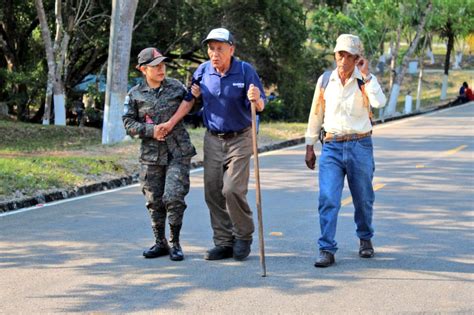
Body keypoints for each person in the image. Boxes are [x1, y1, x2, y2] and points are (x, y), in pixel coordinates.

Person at [156, 28, 266, 261]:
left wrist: (256, 99)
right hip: (213, 138)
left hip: (241, 137)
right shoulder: (203, 71)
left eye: (220, 48)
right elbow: (189, 101)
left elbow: (261, 105)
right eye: (211, 48)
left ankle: (243, 235)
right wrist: (170, 122)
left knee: (232, 189)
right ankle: (224, 241)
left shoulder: (245, 71)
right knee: (213, 192)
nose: (214, 53)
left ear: (231, 49)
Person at [304, 34, 387, 267]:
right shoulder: (325, 80)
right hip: (331, 146)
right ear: (335, 55)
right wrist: (310, 145)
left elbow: (380, 103)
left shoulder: (365, 81)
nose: (344, 60)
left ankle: (365, 238)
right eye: (341, 54)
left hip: (360, 145)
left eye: (350, 56)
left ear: (358, 58)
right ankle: (326, 249)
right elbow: (316, 113)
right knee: (328, 198)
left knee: (363, 198)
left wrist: (368, 75)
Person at [122, 47, 197, 261]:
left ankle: (175, 242)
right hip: (151, 156)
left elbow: (193, 105)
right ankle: (160, 242)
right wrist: (151, 130)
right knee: (154, 201)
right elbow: (128, 124)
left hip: (178, 152)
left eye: (163, 64)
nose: (161, 69)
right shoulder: (135, 94)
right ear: (143, 69)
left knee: (173, 197)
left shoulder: (176, 87)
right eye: (155, 66)